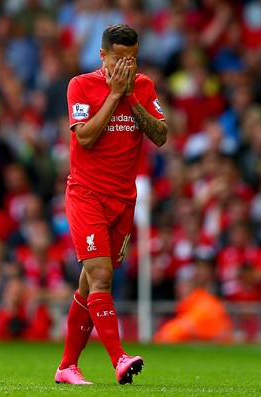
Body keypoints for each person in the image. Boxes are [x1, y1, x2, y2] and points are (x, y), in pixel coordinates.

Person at [55, 24, 167, 385]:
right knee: (101, 275)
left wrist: (130, 96)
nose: (126, 65)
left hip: (123, 199)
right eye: (120, 59)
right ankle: (119, 358)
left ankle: (67, 367)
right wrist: (115, 95)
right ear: (102, 56)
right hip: (86, 194)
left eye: (132, 58)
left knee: (90, 283)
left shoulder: (144, 87)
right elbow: (85, 137)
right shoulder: (80, 85)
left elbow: (161, 135)